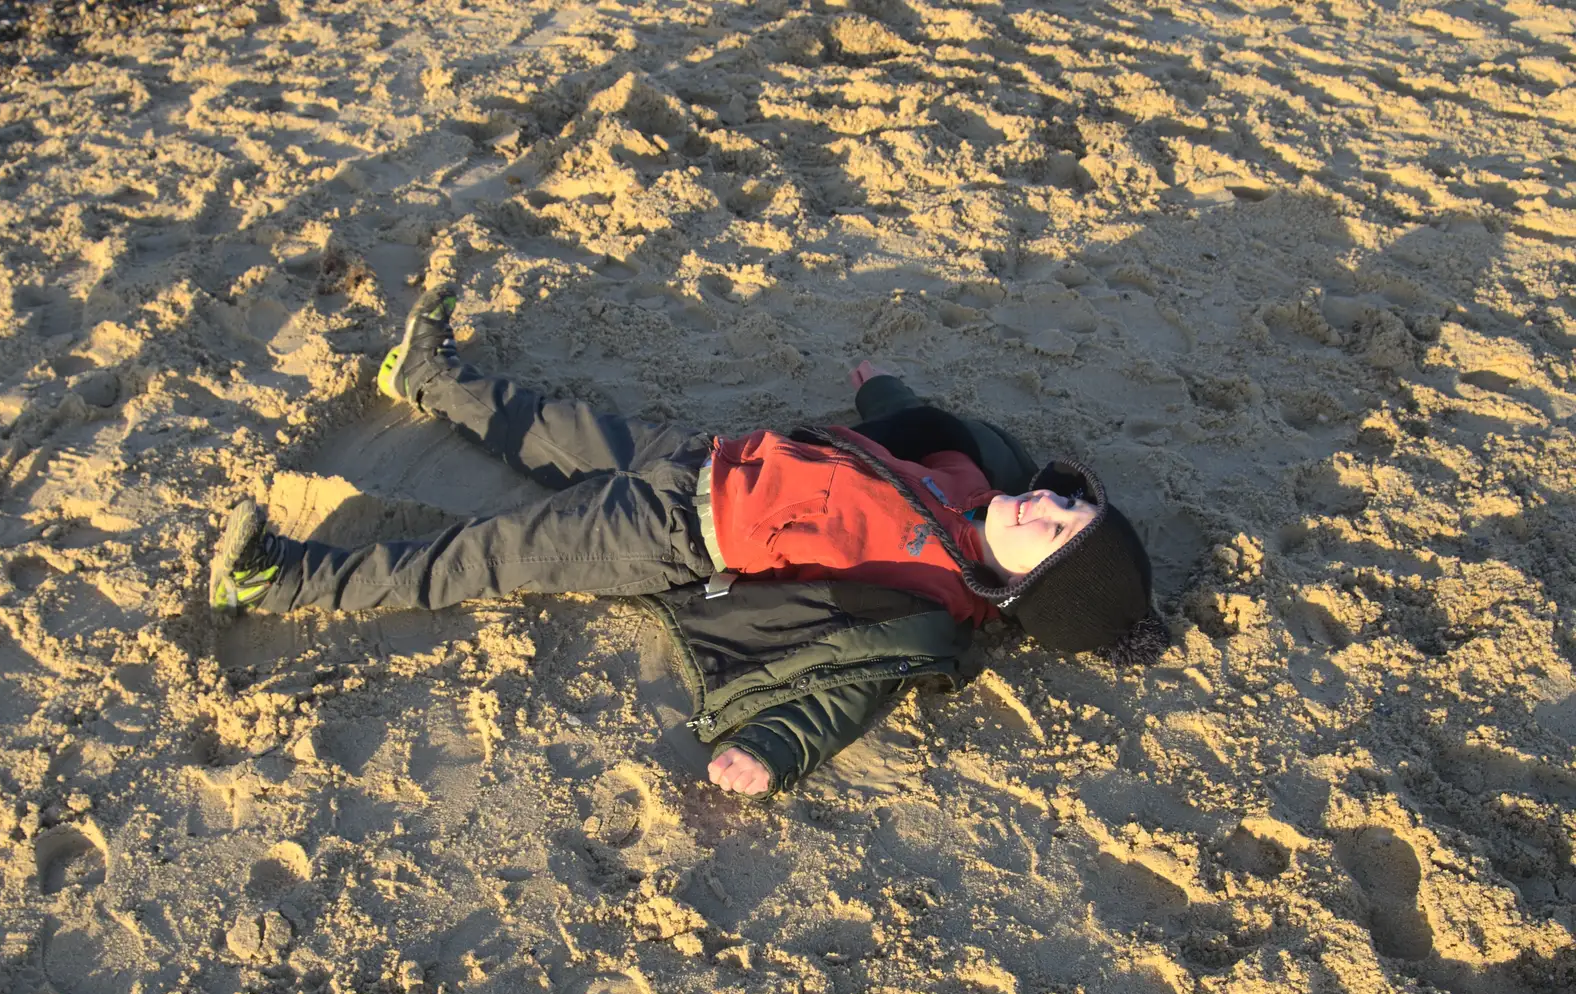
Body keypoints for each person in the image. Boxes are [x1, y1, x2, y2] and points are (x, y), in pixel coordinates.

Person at [210, 286, 1169, 798]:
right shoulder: (976, 479)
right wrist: (882, 389)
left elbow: (846, 693)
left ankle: (281, 580)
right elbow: (916, 425)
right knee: (552, 427)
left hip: (671, 532)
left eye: (1055, 531)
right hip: (706, 459)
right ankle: (423, 376)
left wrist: (772, 753)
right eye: (1065, 501)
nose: (1044, 504)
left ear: (1022, 591)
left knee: (486, 551)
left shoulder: (927, 608)